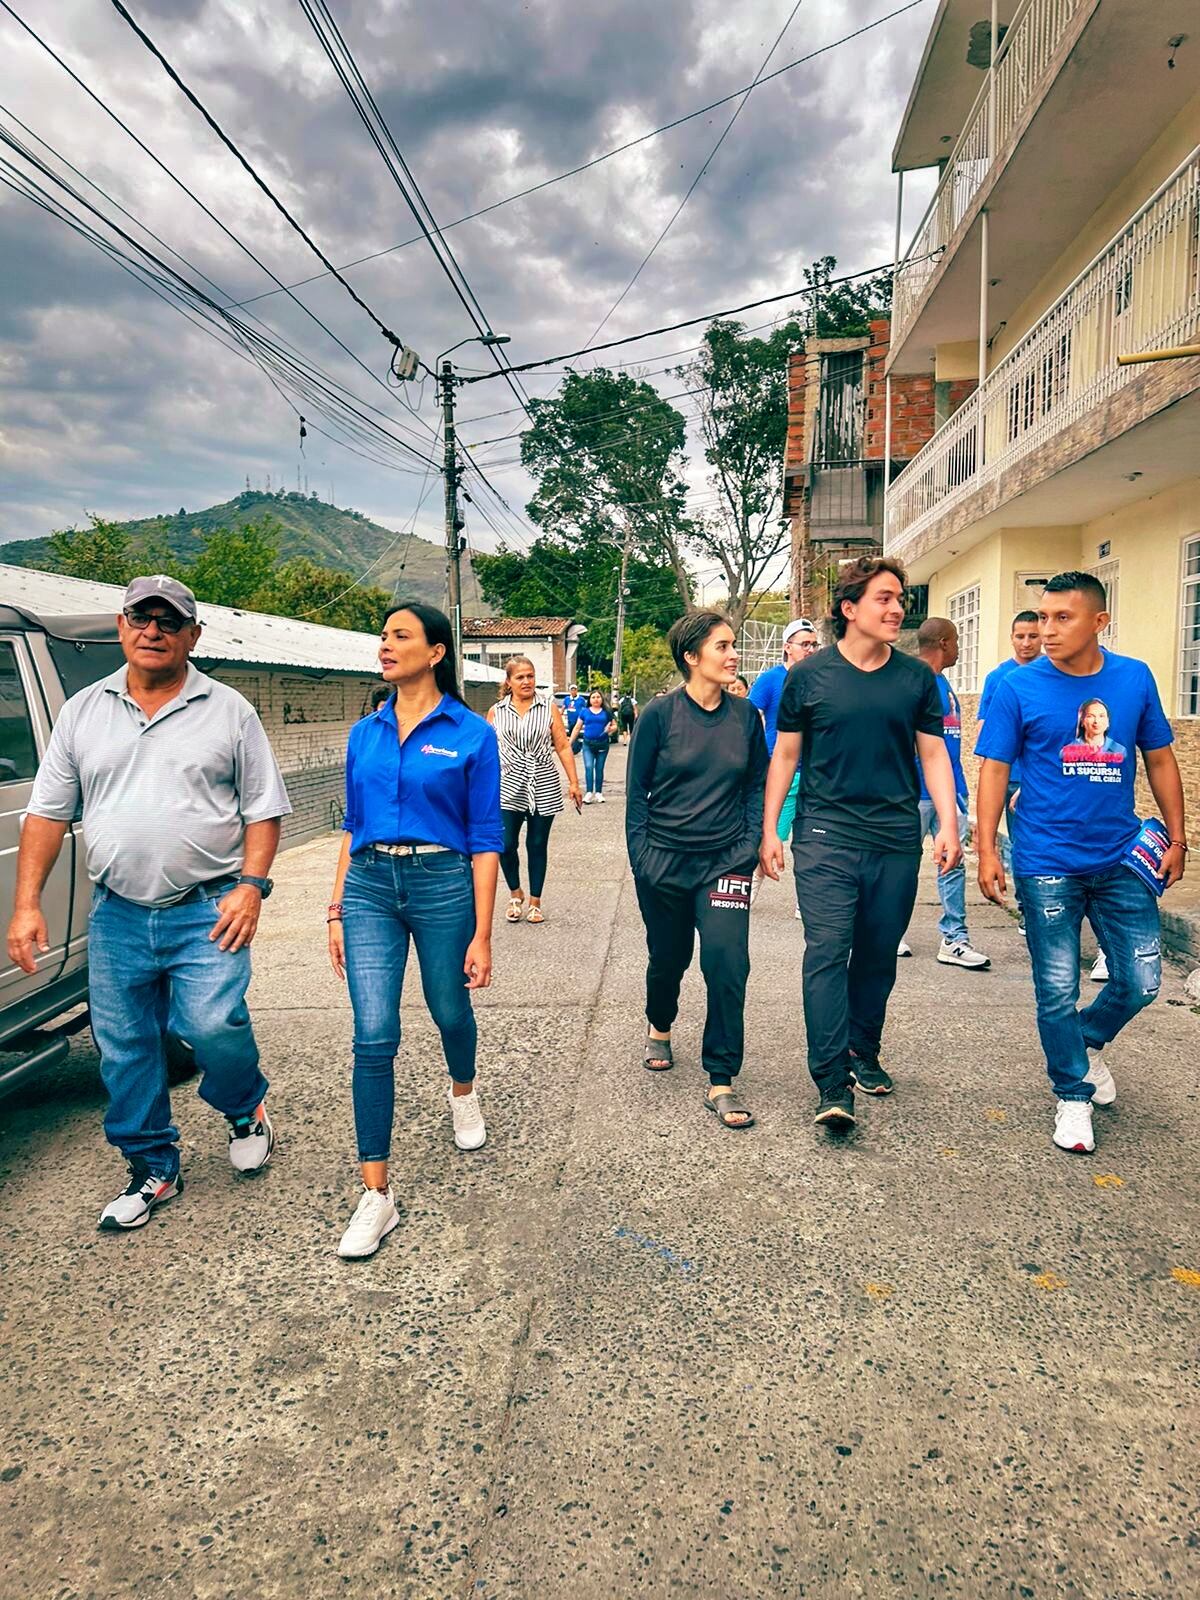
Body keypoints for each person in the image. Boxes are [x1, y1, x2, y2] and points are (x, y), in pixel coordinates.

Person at [6, 575, 291, 1230]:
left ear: (193, 635)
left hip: (208, 907)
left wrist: (251, 887)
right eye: (141, 617)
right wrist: (26, 905)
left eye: (170, 621)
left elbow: (264, 810)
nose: (153, 630)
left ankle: (244, 1105)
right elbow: (47, 814)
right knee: (125, 1045)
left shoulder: (229, 711)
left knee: (212, 1025)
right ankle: (152, 1166)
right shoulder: (82, 712)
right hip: (118, 913)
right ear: (121, 626)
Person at [975, 571, 1186, 1155]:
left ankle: (1085, 1041)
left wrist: (1178, 838)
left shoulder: (1133, 678)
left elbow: (1160, 759)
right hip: (1046, 861)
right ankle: (1072, 1093)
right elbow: (994, 769)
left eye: (1062, 618)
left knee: (1142, 980)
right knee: (1056, 988)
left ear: (1099, 622)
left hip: (1120, 858)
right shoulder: (1018, 686)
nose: (1047, 630)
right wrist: (987, 849)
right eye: (1043, 617)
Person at [760, 557, 962, 1127]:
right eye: (884, 598)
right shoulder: (808, 677)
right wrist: (771, 830)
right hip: (825, 835)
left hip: (895, 837)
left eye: (900, 599)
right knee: (827, 950)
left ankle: (862, 1050)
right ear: (850, 608)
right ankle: (831, 1083)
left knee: (877, 954)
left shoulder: (916, 679)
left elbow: (933, 755)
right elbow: (786, 755)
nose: (897, 609)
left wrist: (949, 824)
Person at [327, 602, 502, 1259]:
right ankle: (376, 1195)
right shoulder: (364, 733)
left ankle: (464, 1091)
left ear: (435, 652)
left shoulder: (471, 733)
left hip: (441, 884)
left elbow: (486, 839)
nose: (385, 645)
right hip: (370, 885)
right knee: (373, 1034)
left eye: (400, 636)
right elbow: (352, 826)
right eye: (382, 636)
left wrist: (483, 934)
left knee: (449, 1007)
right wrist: (336, 908)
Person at [627, 613, 768, 1129]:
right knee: (669, 957)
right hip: (663, 862)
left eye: (733, 645)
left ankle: (721, 1079)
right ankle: (660, 1024)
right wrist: (643, 860)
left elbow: (756, 785)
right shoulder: (659, 715)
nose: (733, 655)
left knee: (728, 962)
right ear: (691, 657)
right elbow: (636, 795)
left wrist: (749, 847)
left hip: (725, 861)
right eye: (722, 646)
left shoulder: (746, 716)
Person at [898, 617, 990, 970]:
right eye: (956, 641)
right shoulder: (911, 681)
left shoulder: (943, 682)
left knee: (953, 864)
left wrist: (958, 792)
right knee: (901, 866)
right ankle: (889, 932)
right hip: (916, 793)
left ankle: (955, 939)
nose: (959, 649)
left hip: (950, 793)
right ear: (944, 643)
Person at [488, 655, 583, 924]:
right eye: (520, 677)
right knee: (505, 844)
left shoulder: (547, 707)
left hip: (543, 781)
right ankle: (515, 892)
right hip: (508, 784)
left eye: (530, 676)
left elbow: (562, 745)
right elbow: (488, 752)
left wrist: (574, 783)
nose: (526, 681)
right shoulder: (496, 711)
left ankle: (535, 902)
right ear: (509, 681)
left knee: (537, 844)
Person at [749, 618, 821, 912]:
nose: (811, 650)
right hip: (783, 773)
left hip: (818, 774)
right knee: (772, 838)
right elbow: (749, 717)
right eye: (805, 644)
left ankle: (810, 904)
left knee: (814, 844)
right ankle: (743, 898)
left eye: (814, 644)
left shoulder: (823, 678)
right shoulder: (771, 679)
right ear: (787, 647)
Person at [977, 610, 1042, 938]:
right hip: (1001, 774)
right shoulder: (998, 677)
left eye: (1033, 636)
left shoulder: (1049, 675)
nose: (1026, 643)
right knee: (998, 841)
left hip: (1030, 779)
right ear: (1012, 638)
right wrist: (984, 773)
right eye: (1020, 636)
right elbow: (986, 728)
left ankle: (1028, 910)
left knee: (1025, 844)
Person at [577, 690, 617, 803]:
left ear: (602, 699)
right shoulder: (584, 712)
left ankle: (599, 792)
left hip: (602, 744)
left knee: (599, 768)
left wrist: (611, 729)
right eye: (593, 697)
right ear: (590, 700)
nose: (596, 699)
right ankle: (589, 792)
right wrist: (569, 743)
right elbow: (577, 727)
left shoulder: (607, 712)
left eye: (598, 697)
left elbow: (615, 725)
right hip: (588, 744)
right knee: (589, 766)